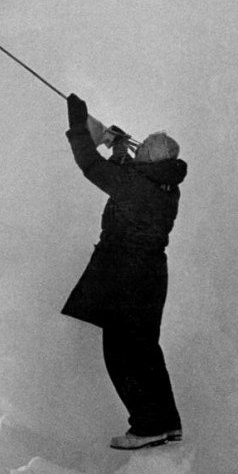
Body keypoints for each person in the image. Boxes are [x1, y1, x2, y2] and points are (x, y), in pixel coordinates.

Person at [62, 92, 187, 449]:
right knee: (145, 352)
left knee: (120, 353)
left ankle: (149, 426)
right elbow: (123, 176)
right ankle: (165, 423)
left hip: (126, 276)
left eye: (143, 146)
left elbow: (91, 167)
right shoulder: (164, 186)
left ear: (152, 158)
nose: (139, 146)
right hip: (148, 277)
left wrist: (78, 126)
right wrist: (117, 147)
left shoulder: (138, 185)